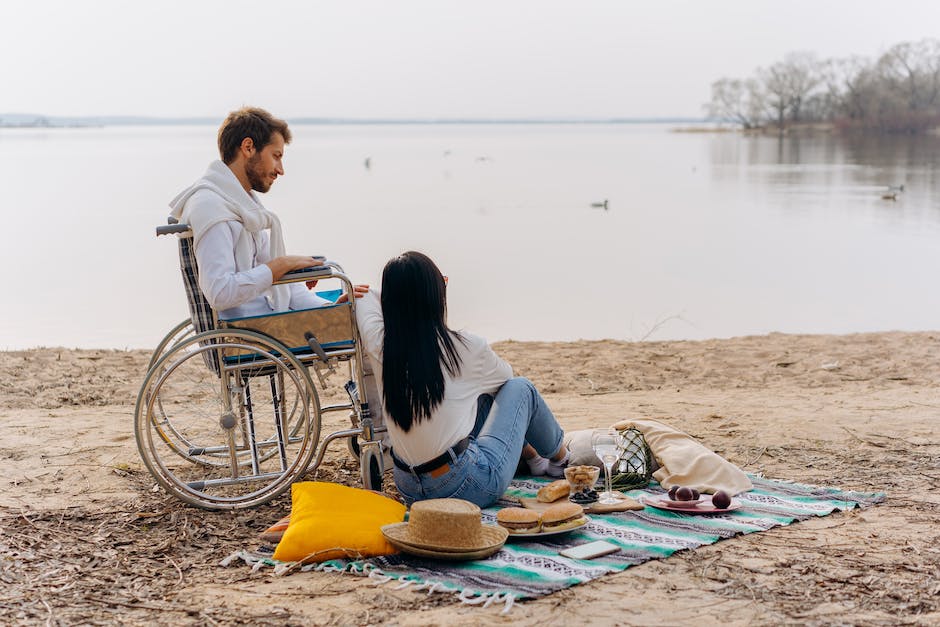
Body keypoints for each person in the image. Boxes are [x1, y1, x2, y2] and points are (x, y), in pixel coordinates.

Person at [355, 251, 570, 508]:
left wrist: (384, 294)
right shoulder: (466, 347)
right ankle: (560, 460)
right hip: (464, 487)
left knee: (475, 399)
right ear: (435, 295)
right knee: (521, 388)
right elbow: (507, 384)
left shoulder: (379, 342)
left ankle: (534, 459)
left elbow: (365, 296)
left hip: (410, 488)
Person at [168, 106, 366, 318]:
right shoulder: (211, 208)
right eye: (276, 156)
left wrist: (330, 309)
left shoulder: (244, 208)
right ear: (248, 147)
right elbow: (220, 293)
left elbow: (285, 288)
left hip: (268, 324)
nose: (281, 169)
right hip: (249, 336)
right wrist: (279, 266)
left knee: (366, 304)